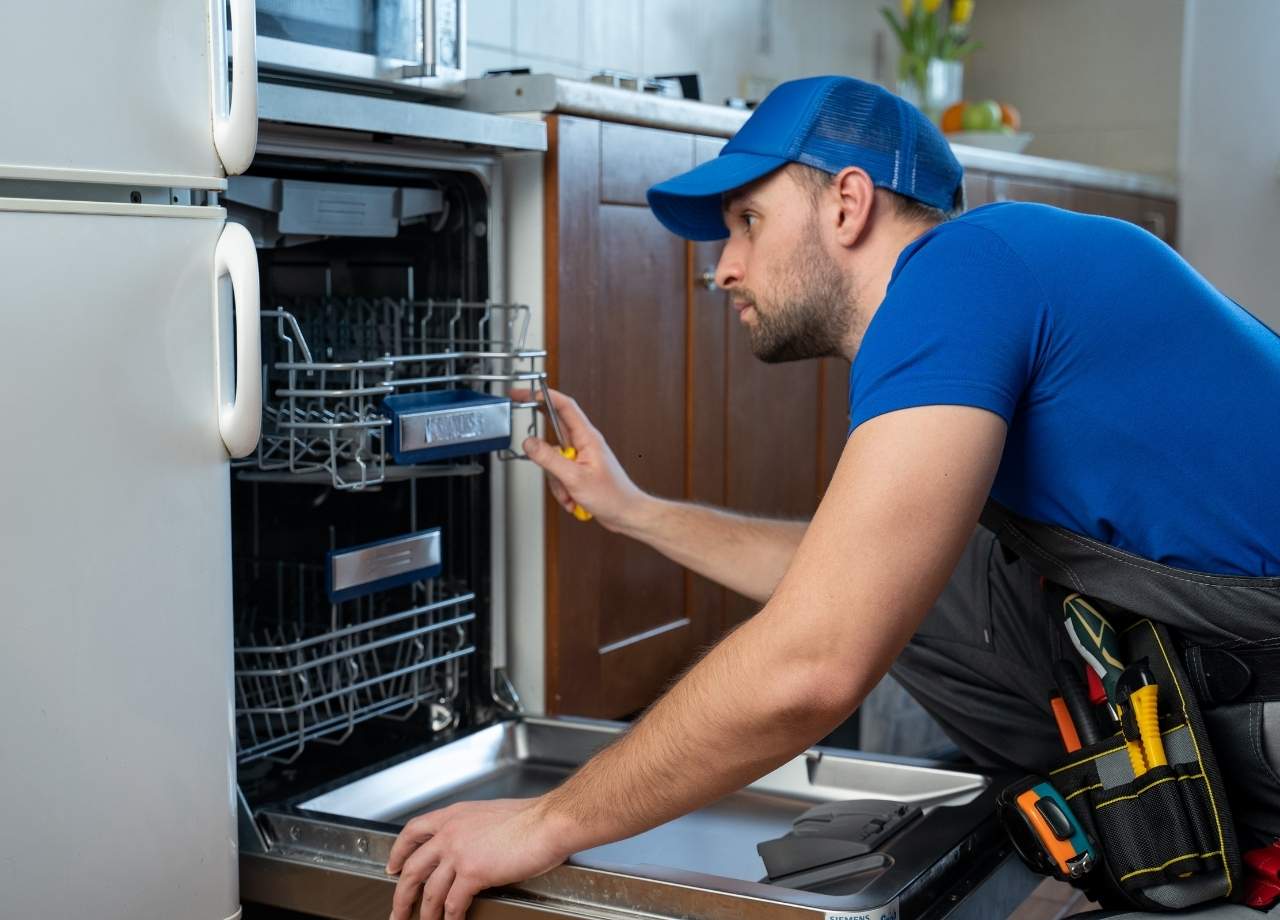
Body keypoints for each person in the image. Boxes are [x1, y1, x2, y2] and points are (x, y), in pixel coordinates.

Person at [386, 75, 1280, 920]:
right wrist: (632, 508)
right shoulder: (1001, 266)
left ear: (848, 204)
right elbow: (842, 577)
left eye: (746, 220)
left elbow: (815, 661)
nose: (723, 267)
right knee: (936, 581)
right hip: (1233, 642)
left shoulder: (960, 275)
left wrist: (546, 822)